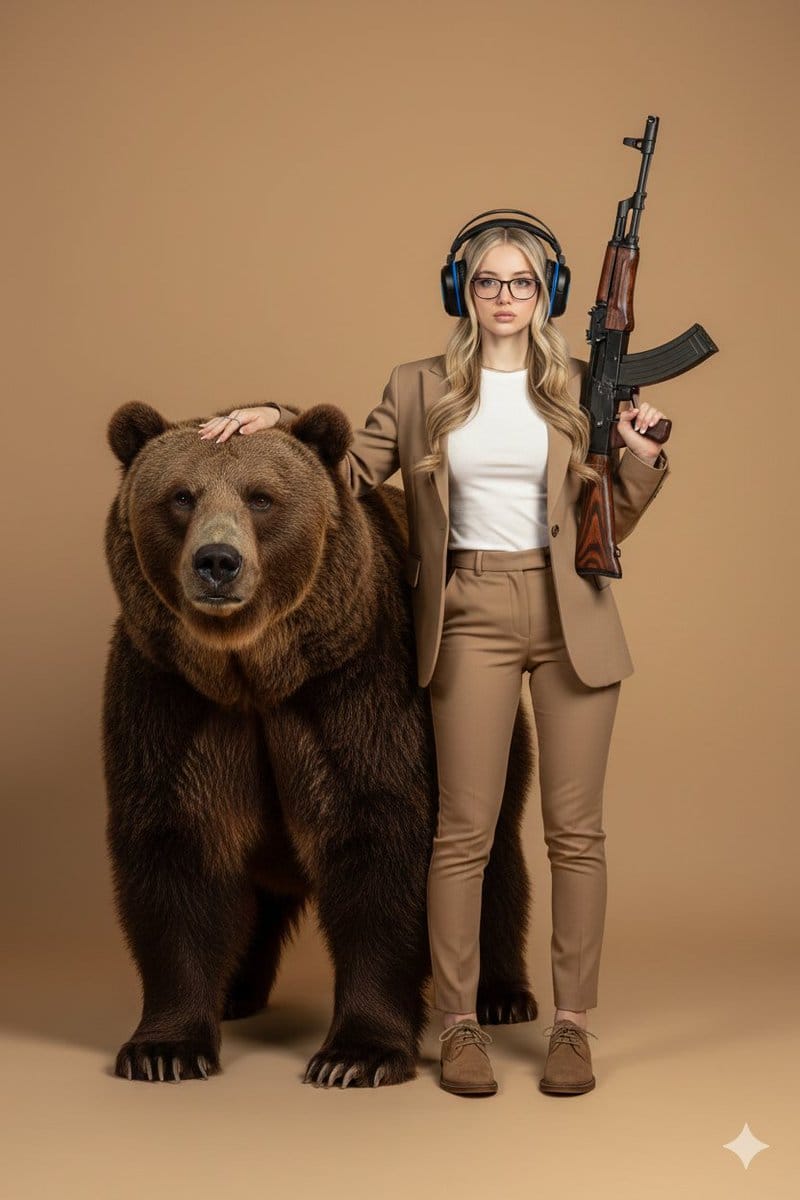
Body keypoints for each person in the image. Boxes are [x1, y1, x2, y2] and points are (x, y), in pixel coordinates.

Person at [198, 217, 670, 1097]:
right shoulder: (417, 388)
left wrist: (639, 459)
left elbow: (603, 530)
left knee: (577, 834)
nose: (503, 298)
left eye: (521, 283)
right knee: (463, 831)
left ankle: (573, 1026)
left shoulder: (580, 385)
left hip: (573, 612)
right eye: (487, 282)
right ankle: (456, 1027)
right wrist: (283, 422)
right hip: (467, 611)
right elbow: (342, 477)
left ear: (549, 295)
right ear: (461, 292)